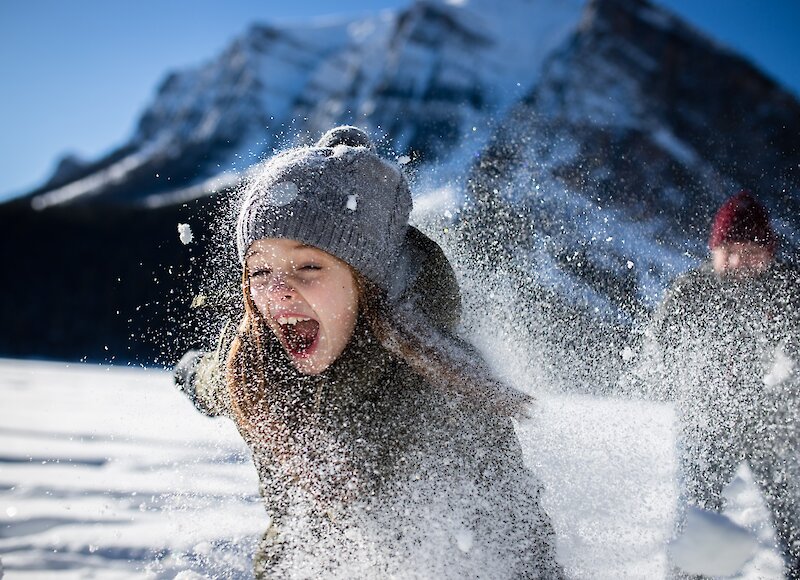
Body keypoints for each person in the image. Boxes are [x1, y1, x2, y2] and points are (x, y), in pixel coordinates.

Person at [173, 126, 565, 578]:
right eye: (260, 270)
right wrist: (191, 373)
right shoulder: (255, 365)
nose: (277, 291)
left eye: (309, 266)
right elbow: (213, 379)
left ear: (366, 281)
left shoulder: (445, 388)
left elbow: (525, 552)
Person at [631, 190, 800, 578]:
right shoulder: (691, 291)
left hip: (778, 430)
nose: (740, 260)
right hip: (707, 424)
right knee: (698, 521)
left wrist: (786, 380)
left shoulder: (790, 289)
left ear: (769, 251)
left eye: (751, 249)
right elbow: (658, 352)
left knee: (795, 522)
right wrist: (697, 380)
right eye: (730, 249)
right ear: (714, 250)